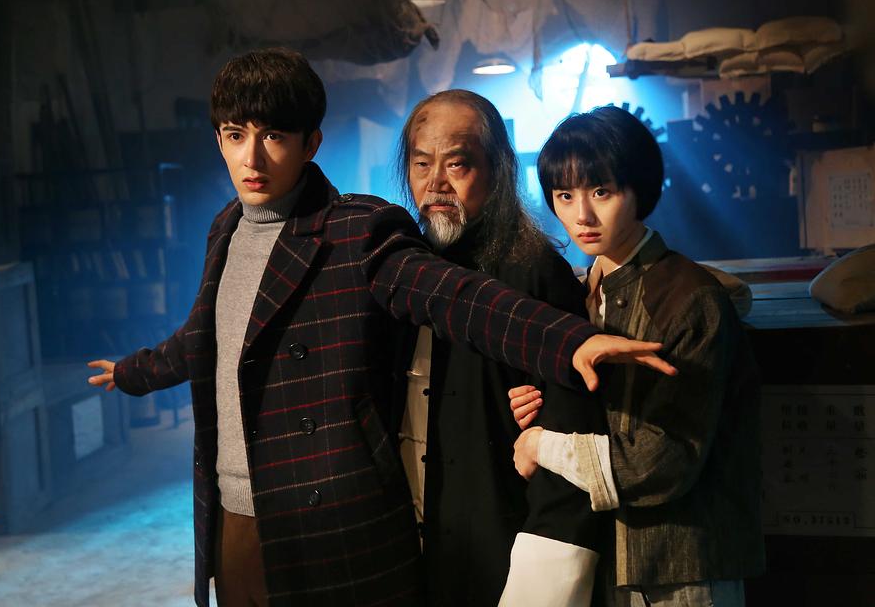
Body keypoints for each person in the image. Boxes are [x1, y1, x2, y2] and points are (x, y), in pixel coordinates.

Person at [87, 50, 673, 607]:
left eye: (274, 137)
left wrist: (571, 340)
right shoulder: (225, 229)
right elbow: (205, 334)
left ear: (310, 144)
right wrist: (133, 372)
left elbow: (461, 299)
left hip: (361, 516)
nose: (252, 158)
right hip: (256, 507)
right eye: (236, 135)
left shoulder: (364, 231)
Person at [505, 105, 764, 607]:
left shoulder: (688, 297)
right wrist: (539, 407)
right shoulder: (580, 292)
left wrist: (543, 445)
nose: (581, 215)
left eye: (601, 192)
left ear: (639, 189)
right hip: (608, 561)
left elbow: (663, 460)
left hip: (684, 569)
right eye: (565, 195)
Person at [394, 90, 607, 607]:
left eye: (457, 164)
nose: (436, 183)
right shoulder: (402, 270)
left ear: (498, 170)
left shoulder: (534, 271)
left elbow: (573, 443)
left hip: (509, 552)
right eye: (421, 164)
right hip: (415, 550)